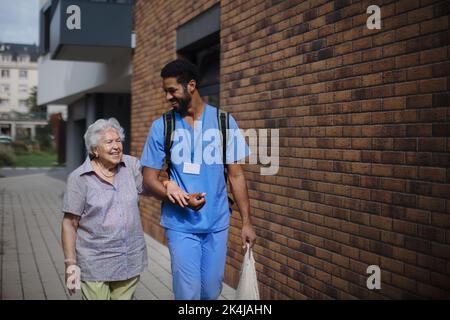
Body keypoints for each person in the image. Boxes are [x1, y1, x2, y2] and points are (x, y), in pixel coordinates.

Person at [141, 59, 257, 300]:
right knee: (188, 293)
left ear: (190, 85)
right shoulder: (162, 126)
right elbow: (149, 179)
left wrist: (246, 222)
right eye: (165, 91)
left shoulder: (224, 122)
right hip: (180, 225)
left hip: (217, 223)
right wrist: (173, 194)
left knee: (211, 291)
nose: (167, 97)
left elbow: (236, 175)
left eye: (172, 90)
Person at [61, 118, 148, 300]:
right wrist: (71, 266)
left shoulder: (131, 166)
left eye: (118, 141)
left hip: (128, 259)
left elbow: (150, 187)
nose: (116, 146)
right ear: (94, 150)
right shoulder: (79, 178)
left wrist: (169, 185)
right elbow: (70, 224)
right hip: (95, 262)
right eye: (109, 142)